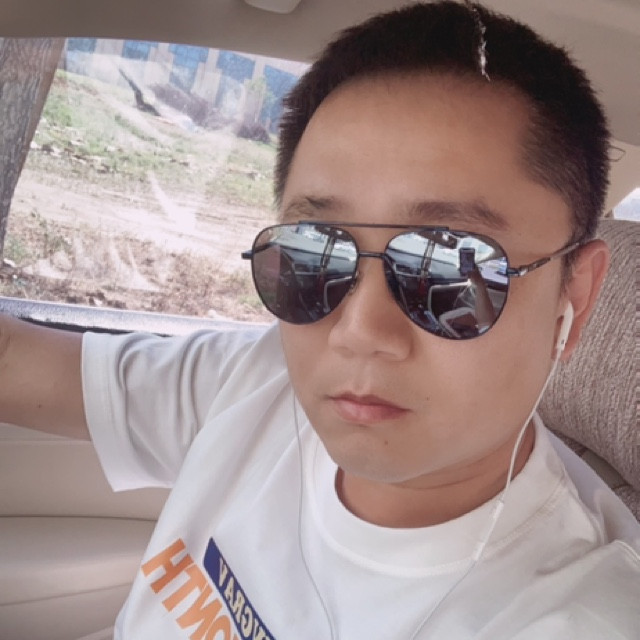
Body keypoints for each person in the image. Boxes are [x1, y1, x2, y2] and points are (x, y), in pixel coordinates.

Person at [1, 2, 638, 638]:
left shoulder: (579, 618)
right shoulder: (258, 380)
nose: (358, 331)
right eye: (313, 255)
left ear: (574, 296)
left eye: (447, 269)